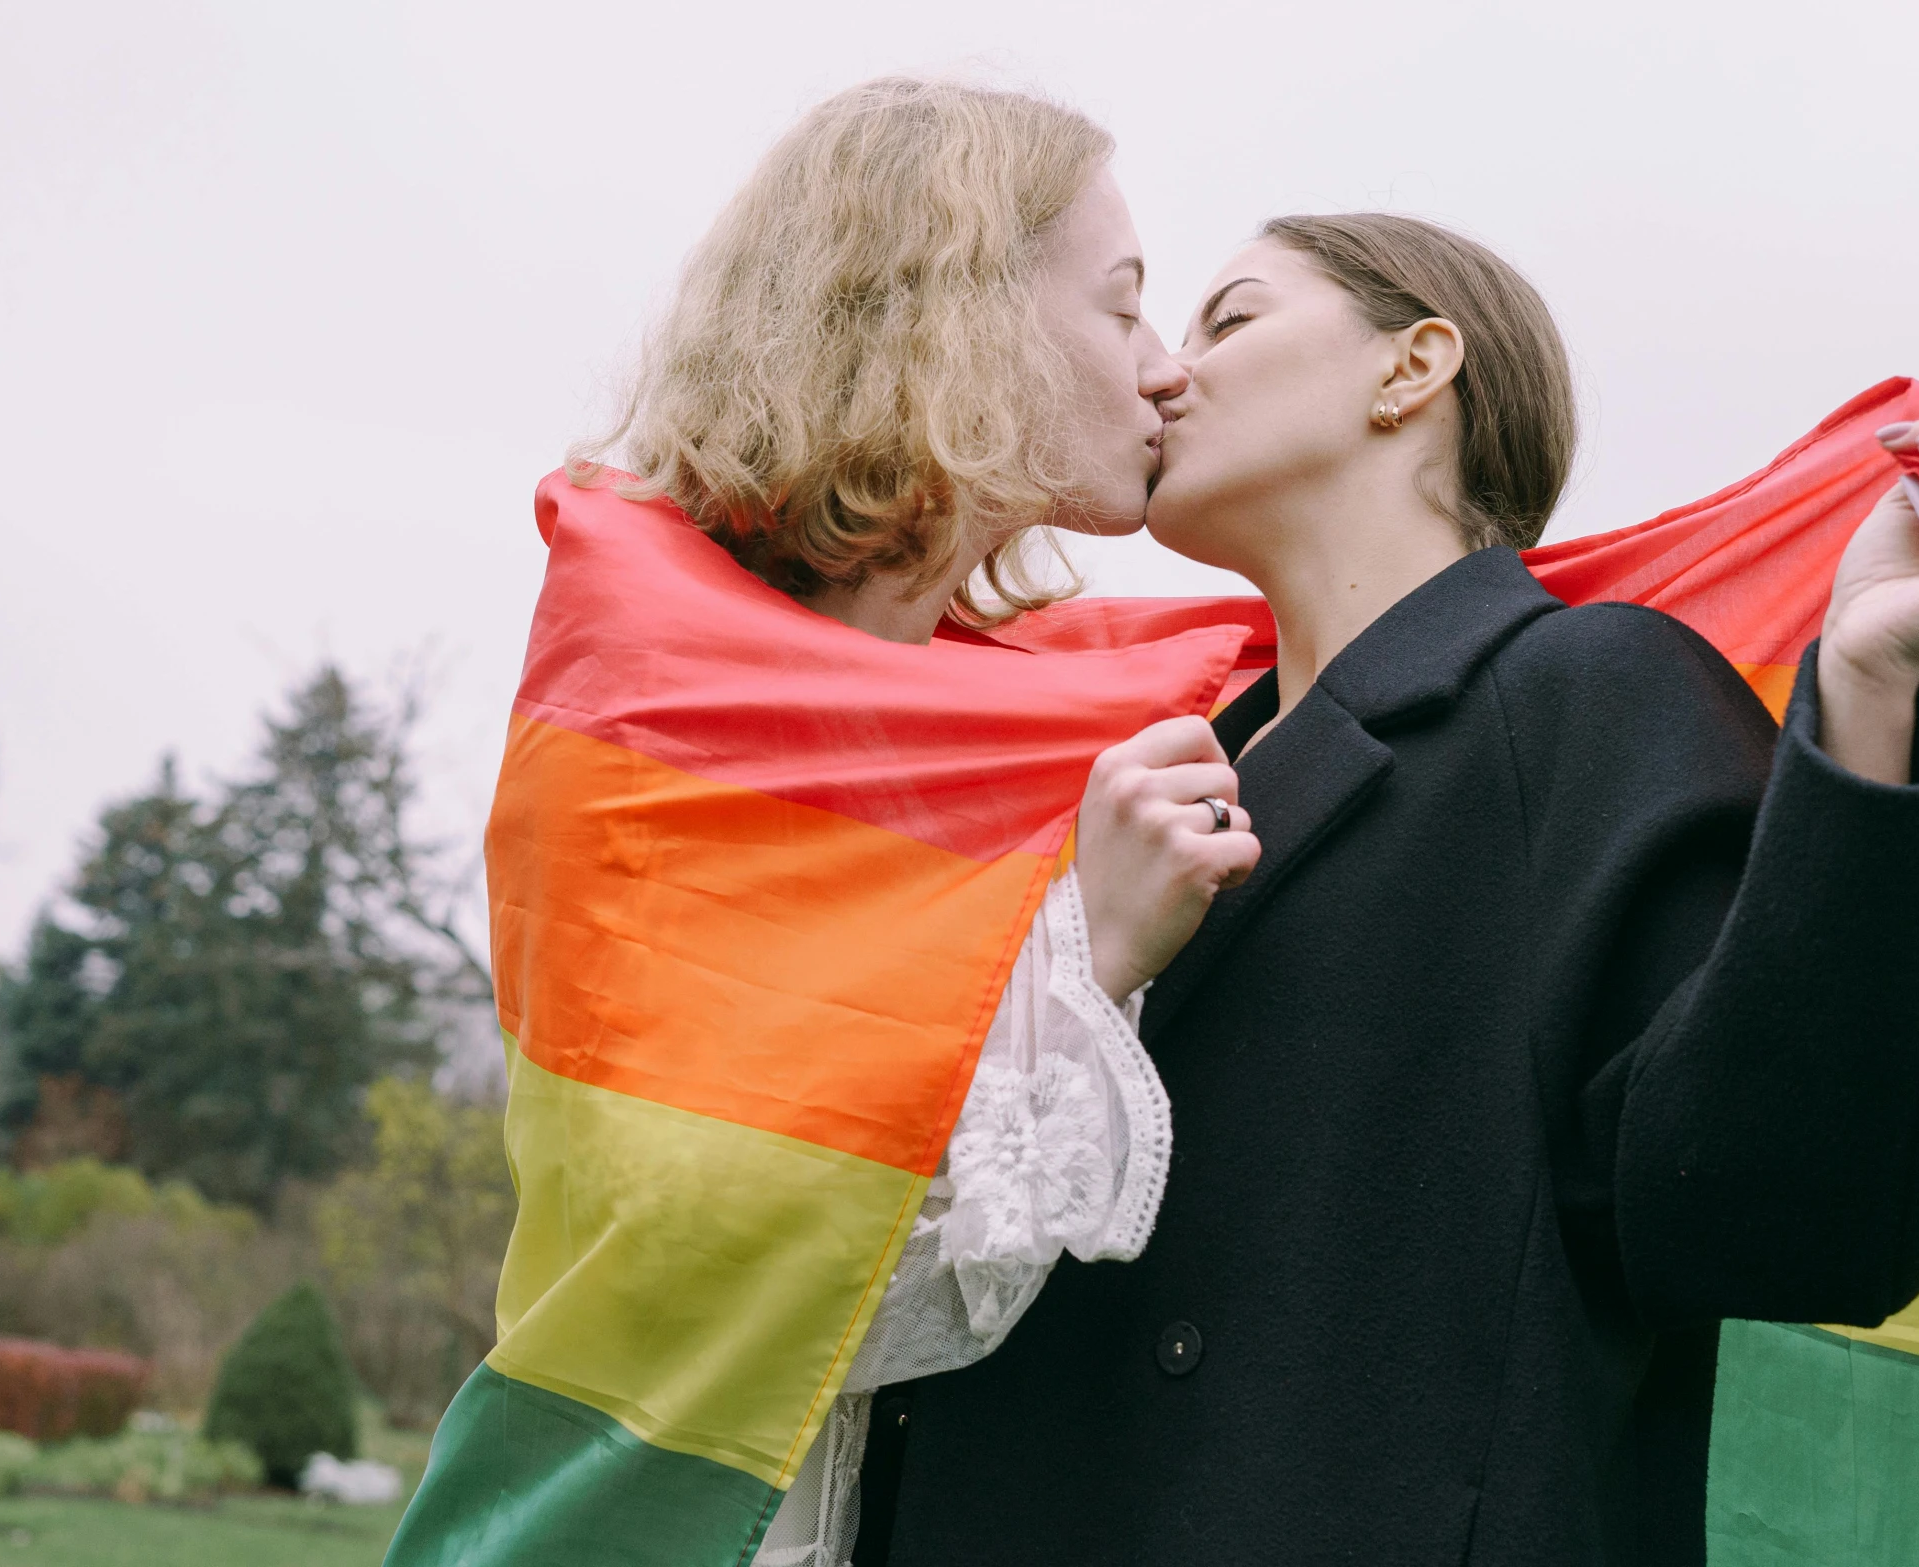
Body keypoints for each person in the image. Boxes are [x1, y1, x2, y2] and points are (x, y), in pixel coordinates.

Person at [864, 215, 1919, 1565]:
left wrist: (1873, 685)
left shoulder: (1584, 696)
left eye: (1229, 319)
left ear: (1413, 367)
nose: (1163, 375)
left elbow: (1794, 1206)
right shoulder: (1114, 790)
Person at [383, 80, 1264, 1567]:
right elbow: (727, 1274)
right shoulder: (655, 714)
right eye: (1122, 312)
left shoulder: (1050, 704)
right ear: (962, 319)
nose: (1168, 371)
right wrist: (1093, 961)